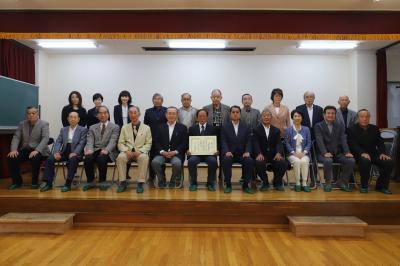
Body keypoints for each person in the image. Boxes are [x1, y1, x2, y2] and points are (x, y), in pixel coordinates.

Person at [347, 109, 394, 194]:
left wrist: (383, 153)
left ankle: (381, 186)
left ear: (369, 118)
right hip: (358, 154)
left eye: (367, 117)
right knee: (365, 161)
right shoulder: (351, 129)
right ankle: (364, 186)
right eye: (362, 117)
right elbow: (352, 145)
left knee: (389, 162)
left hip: (373, 153)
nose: (365, 119)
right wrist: (362, 153)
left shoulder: (374, 128)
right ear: (358, 118)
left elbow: (380, 143)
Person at [40, 112, 87, 192]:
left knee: (72, 159)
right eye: (71, 117)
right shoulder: (63, 129)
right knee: (50, 159)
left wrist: (75, 152)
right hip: (64, 151)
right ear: (68, 119)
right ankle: (48, 183)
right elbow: (58, 141)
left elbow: (82, 143)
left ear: (78, 119)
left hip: (76, 153)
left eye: (75, 117)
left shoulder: (83, 130)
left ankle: (68, 184)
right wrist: (57, 152)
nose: (72, 119)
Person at [314, 106, 355, 192]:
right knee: (328, 160)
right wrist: (324, 152)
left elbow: (343, 139)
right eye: (328, 113)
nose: (331, 115)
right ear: (324, 115)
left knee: (351, 160)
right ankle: (328, 183)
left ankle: (343, 182)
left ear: (335, 115)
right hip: (323, 154)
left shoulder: (339, 125)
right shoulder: (318, 126)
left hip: (337, 153)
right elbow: (319, 140)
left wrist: (347, 152)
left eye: (333, 113)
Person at [7, 106, 50, 189]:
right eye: (29, 113)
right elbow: (16, 137)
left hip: (39, 150)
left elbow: (45, 138)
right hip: (26, 150)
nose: (31, 115)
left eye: (33, 113)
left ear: (37, 114)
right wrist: (13, 150)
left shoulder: (44, 124)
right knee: (11, 158)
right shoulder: (22, 124)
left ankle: (34, 182)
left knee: (35, 158)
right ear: (27, 114)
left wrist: (37, 150)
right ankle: (17, 182)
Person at [83, 106, 120, 191]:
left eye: (105, 113)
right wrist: (89, 149)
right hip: (95, 149)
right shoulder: (92, 127)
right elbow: (90, 139)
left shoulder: (115, 127)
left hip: (109, 151)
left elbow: (113, 141)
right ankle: (90, 181)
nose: (103, 115)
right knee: (88, 158)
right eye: (100, 113)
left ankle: (102, 181)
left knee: (101, 158)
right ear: (97, 115)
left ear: (108, 114)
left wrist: (107, 149)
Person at [116, 106, 152, 193]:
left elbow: (148, 143)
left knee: (144, 157)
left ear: (139, 114)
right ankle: (122, 182)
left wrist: (140, 151)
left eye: (135, 112)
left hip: (140, 152)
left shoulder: (146, 128)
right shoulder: (125, 127)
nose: (133, 115)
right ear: (129, 114)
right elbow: (120, 143)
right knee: (120, 157)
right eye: (131, 113)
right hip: (127, 152)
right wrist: (126, 151)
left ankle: (140, 182)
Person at [151, 107, 188, 188]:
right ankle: (161, 179)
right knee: (155, 162)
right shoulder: (160, 127)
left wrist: (175, 152)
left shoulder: (182, 128)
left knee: (177, 163)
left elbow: (184, 143)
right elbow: (156, 142)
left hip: (176, 154)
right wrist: (162, 152)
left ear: (177, 115)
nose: (171, 115)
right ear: (166, 115)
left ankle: (173, 180)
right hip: (162, 154)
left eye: (173, 113)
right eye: (169, 113)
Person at [220, 106, 254, 194]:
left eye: (237, 112)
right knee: (226, 160)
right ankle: (228, 184)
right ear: (230, 114)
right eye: (233, 112)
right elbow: (223, 141)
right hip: (230, 153)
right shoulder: (225, 127)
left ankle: (246, 185)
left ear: (240, 113)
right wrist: (226, 151)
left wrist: (247, 151)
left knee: (249, 161)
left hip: (242, 154)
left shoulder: (246, 126)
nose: (235, 114)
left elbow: (249, 141)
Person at [253, 108, 287, 191]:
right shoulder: (256, 130)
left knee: (282, 162)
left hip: (273, 154)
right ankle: (265, 182)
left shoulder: (276, 130)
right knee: (258, 162)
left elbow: (279, 143)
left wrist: (278, 153)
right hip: (262, 154)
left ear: (271, 118)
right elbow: (255, 143)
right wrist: (259, 154)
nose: (266, 117)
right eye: (264, 116)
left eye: (268, 116)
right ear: (261, 118)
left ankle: (277, 182)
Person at [187, 109, 218, 191]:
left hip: (209, 154)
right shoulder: (192, 129)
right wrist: (188, 150)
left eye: (204, 116)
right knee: (191, 161)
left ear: (207, 117)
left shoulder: (213, 129)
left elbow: (217, 142)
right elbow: (188, 142)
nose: (202, 118)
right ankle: (193, 183)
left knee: (213, 161)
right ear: (197, 118)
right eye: (200, 116)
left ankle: (210, 183)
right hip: (196, 154)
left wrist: (217, 150)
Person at [284, 110, 312, 192]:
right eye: (295, 116)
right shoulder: (288, 130)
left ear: (302, 118)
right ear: (292, 118)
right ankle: (297, 183)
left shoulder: (306, 129)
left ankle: (304, 183)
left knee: (304, 161)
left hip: (304, 153)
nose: (297, 118)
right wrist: (294, 153)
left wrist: (304, 152)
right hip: (292, 153)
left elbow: (309, 142)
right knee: (297, 161)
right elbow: (287, 143)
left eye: (299, 116)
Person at [144, 93, 168, 186]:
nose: (157, 100)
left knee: (162, 158)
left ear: (162, 101)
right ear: (152, 100)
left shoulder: (166, 110)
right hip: (151, 138)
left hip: (163, 139)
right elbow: (145, 126)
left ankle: (162, 177)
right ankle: (151, 177)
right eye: (155, 99)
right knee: (152, 159)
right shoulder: (148, 111)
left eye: (159, 99)